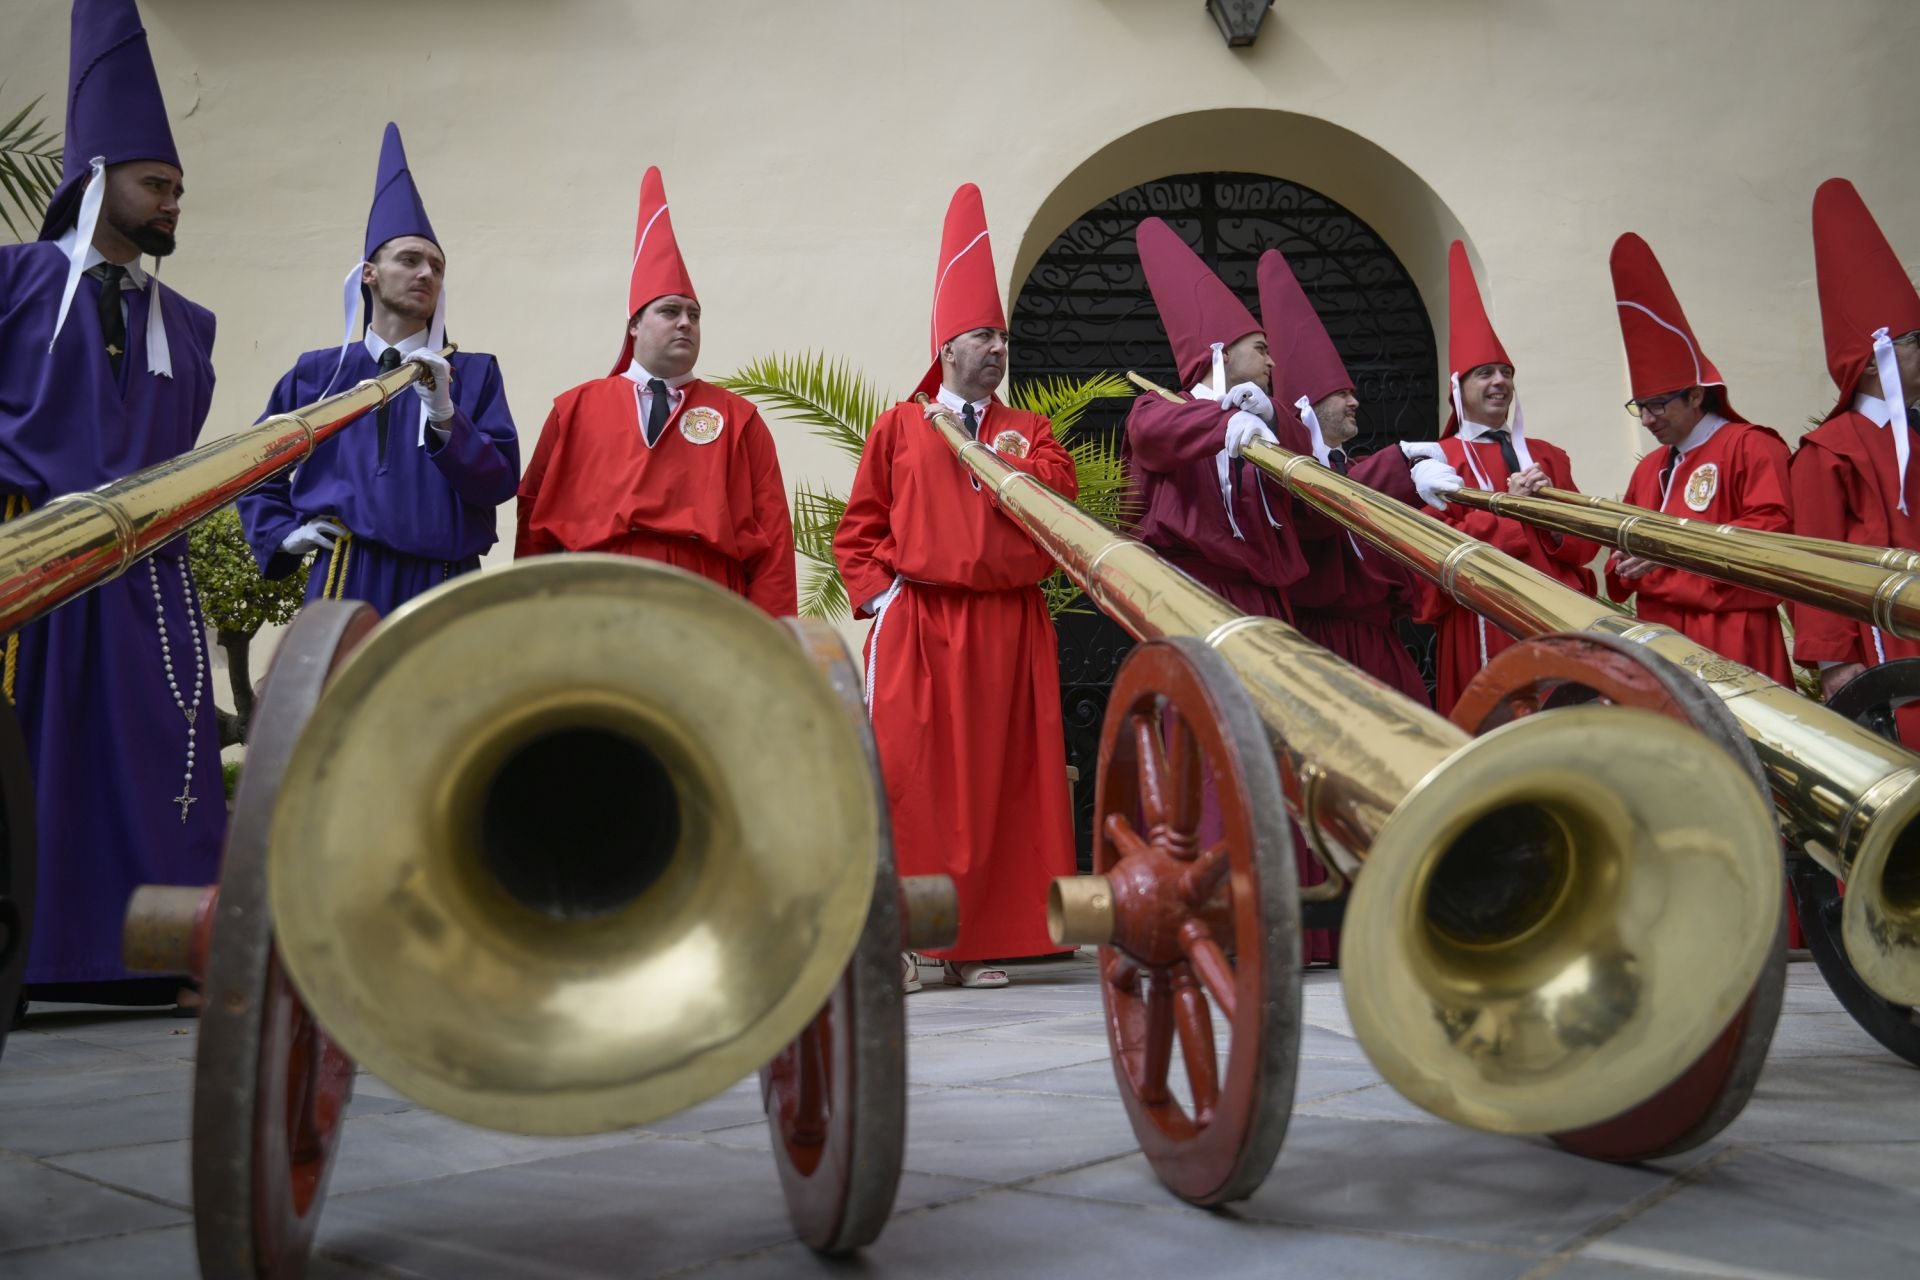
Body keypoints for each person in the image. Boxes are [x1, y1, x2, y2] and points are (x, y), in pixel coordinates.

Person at [2, 0, 221, 1009]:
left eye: (178, 186)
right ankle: (38, 953)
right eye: (156, 183)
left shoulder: (193, 324)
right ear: (95, 182)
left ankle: (158, 954)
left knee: (152, 759)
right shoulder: (12, 283)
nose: (174, 201)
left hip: (148, 576)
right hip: (33, 558)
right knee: (33, 761)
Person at [834, 184, 1077, 991]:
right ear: (946, 347)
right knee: (915, 780)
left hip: (1009, 624)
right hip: (924, 623)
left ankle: (976, 943)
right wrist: (882, 599)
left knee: (1002, 786)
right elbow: (860, 528)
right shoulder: (900, 426)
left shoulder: (1027, 432)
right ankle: (908, 937)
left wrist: (998, 450)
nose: (997, 350)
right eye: (982, 335)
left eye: (1002, 338)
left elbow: (1056, 504)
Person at [238, 123, 519, 612]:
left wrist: (446, 418)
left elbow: (497, 484)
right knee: (338, 689)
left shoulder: (473, 373)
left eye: (436, 265)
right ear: (369, 273)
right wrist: (283, 534)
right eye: (409, 259)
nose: (426, 273)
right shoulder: (316, 374)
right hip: (345, 574)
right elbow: (255, 467)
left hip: (445, 581)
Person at [1122, 219, 1457, 628]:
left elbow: (1316, 515)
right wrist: (1220, 424)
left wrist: (1402, 474)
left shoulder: (1278, 427)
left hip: (1266, 604)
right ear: (1221, 353)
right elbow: (1151, 435)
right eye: (1260, 349)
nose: (1272, 361)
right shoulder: (1160, 408)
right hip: (1189, 594)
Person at [515, 168, 797, 616]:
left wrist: (776, 637)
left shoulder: (739, 418)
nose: (686, 322)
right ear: (633, 325)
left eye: (694, 315)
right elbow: (533, 517)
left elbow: (774, 536)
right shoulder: (576, 409)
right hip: (595, 596)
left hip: (706, 599)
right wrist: (531, 613)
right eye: (670, 311)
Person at [1601, 232, 1793, 685]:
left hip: (1733, 637)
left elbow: (1772, 539)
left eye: (1658, 405)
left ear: (1694, 394)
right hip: (1663, 641)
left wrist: (1662, 558)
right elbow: (1619, 556)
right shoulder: (1650, 469)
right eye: (1639, 406)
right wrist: (1628, 562)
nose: (1646, 420)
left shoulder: (1752, 446)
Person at [1419, 242, 1601, 714]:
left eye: (1505, 372)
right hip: (1481, 622)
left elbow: (1585, 548)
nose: (1500, 381)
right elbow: (1433, 552)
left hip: (1555, 621)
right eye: (1485, 373)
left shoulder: (1547, 456)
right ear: (1458, 389)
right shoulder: (1437, 460)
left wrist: (1555, 517)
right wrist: (1509, 510)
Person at [1257, 247, 1432, 706]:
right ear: (1309, 407)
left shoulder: (1358, 470)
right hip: (1320, 643)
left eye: (1352, 393)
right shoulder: (1287, 469)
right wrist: (1399, 468)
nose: (1354, 402)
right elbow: (1319, 512)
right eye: (1339, 394)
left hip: (1382, 642)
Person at [1789, 178, 1920, 731]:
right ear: (1874, 362)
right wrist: (1835, 662)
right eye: (1916, 342)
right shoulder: (1830, 450)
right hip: (1882, 637)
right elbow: (1815, 561)